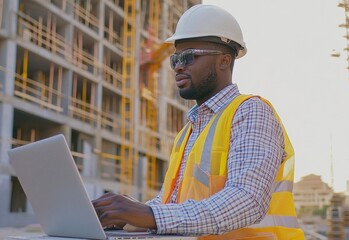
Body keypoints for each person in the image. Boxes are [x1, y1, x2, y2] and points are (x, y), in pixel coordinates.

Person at [93, 4, 305, 239]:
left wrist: (150, 214)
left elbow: (248, 200)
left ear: (224, 61)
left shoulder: (251, 111)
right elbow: (172, 202)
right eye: (175, 59)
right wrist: (125, 218)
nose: (179, 66)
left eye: (189, 56)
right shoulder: (188, 132)